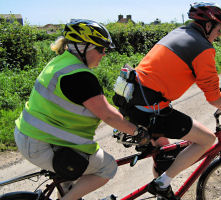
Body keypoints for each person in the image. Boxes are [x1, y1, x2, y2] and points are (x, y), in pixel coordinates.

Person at [112, 2, 221, 200]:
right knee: (208, 140)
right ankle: (162, 185)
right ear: (208, 26)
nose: (220, 34)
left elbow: (194, 76)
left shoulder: (180, 33)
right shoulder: (203, 47)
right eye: (219, 28)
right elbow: (213, 99)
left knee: (164, 157)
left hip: (133, 101)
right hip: (152, 110)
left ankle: (161, 190)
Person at [14, 19, 148, 200]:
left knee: (75, 178)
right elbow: (108, 116)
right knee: (107, 167)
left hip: (30, 135)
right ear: (83, 47)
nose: (104, 54)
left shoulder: (61, 62)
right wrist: (139, 133)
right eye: (101, 49)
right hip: (43, 145)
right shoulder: (80, 77)